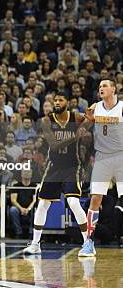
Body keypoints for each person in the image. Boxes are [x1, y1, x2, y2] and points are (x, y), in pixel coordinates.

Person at [24, 92, 89, 255]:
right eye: (55, 100)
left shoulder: (76, 117)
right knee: (42, 204)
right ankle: (35, 244)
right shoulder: (47, 120)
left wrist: (95, 112)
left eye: (61, 99)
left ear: (67, 102)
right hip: (53, 167)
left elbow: (91, 118)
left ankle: (88, 242)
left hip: (72, 166)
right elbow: (54, 146)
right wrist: (76, 135)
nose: (58, 102)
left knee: (73, 202)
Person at [79, 79, 123, 257]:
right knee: (95, 199)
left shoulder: (122, 106)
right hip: (102, 156)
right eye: (99, 87)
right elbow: (83, 128)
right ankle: (89, 242)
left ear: (114, 89)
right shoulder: (95, 107)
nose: (101, 88)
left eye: (105, 85)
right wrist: (88, 121)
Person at [8, 169, 37, 238]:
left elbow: (34, 200)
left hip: (30, 208)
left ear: (31, 174)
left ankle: (31, 232)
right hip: (19, 208)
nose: (26, 173)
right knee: (13, 210)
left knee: (36, 211)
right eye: (25, 172)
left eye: (28, 172)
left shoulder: (34, 186)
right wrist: (21, 209)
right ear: (21, 174)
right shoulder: (16, 185)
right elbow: (13, 200)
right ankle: (19, 232)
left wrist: (28, 209)